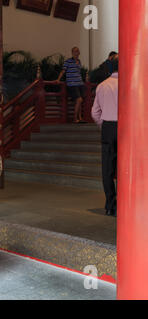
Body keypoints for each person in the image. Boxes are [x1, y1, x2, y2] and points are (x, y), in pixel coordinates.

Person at [91, 58, 118, 217]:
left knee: (107, 168)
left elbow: (94, 112)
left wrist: (104, 125)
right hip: (125, 128)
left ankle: (110, 205)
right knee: (125, 167)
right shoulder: (127, 84)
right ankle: (125, 203)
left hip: (108, 127)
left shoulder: (102, 86)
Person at [57, 47, 86, 123]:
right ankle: (74, 118)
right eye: (75, 51)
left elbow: (78, 72)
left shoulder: (79, 61)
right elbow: (63, 71)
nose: (77, 52)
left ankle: (80, 118)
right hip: (72, 84)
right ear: (72, 52)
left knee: (80, 101)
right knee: (79, 99)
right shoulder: (68, 61)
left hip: (80, 83)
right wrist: (58, 79)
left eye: (78, 51)